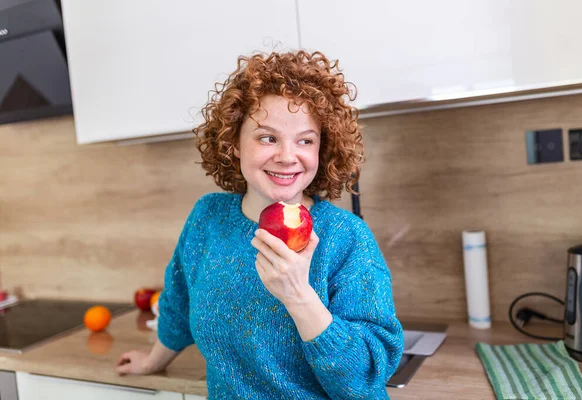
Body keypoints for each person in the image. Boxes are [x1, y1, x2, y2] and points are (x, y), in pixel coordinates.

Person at [116, 50, 404, 399]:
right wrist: (153, 361)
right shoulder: (209, 218)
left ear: (321, 150)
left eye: (305, 140)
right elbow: (180, 306)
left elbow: (368, 375)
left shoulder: (346, 237)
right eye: (267, 137)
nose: (287, 156)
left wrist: (298, 296)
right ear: (234, 143)